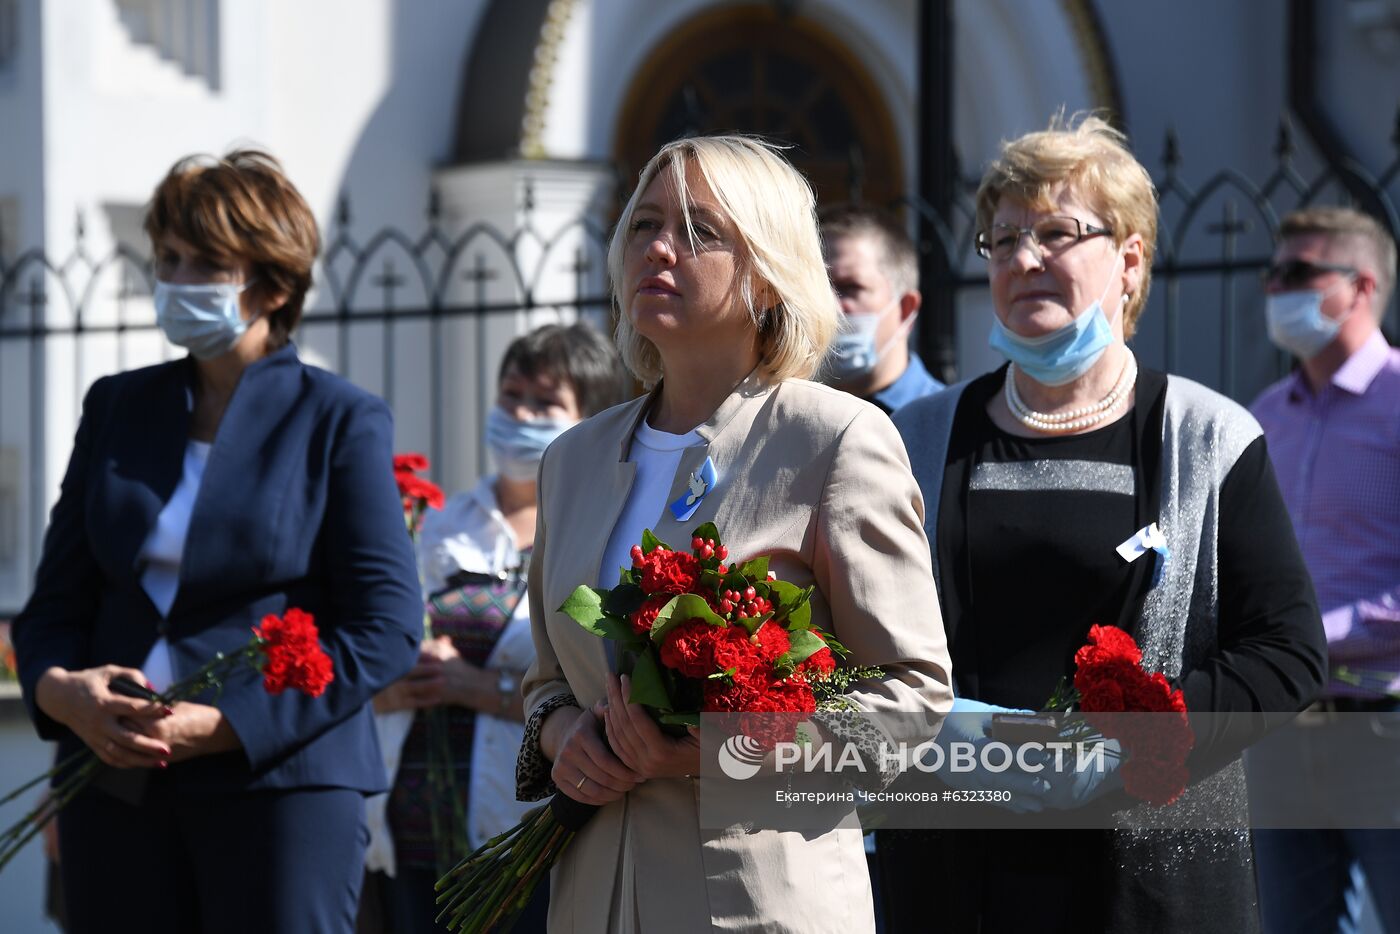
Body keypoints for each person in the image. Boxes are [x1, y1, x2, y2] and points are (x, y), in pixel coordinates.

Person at [888, 114, 1327, 933]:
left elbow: (1288, 654)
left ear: (1129, 261)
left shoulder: (1212, 437)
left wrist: (1132, 742)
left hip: (1149, 883)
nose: (1024, 258)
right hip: (954, 870)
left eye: (1057, 233)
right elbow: (858, 641)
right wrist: (935, 726)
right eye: (1003, 238)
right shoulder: (916, 438)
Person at [514, 135, 954, 933]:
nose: (658, 247)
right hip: (595, 901)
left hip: (758, 902)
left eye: (699, 231)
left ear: (768, 272)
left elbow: (911, 701)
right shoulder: (572, 459)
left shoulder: (834, 439)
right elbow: (547, 679)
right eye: (644, 225)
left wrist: (715, 749)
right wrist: (560, 735)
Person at [11, 150, 423, 933]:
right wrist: (63, 695)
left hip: (277, 789)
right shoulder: (116, 408)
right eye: (168, 257)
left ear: (272, 284)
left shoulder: (337, 418)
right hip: (112, 786)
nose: (176, 277)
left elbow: (386, 627)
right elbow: (54, 608)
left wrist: (226, 723)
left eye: (206, 262)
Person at [361, 322, 626, 932]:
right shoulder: (435, 525)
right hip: (413, 823)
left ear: (586, 418)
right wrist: (399, 679)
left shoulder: (597, 539)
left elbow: (593, 691)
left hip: (525, 833)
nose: (521, 414)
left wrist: (472, 687)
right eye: (512, 395)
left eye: (545, 402)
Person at [1244, 206, 1400, 934]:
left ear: (1362, 284)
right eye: (1274, 273)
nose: (1277, 287)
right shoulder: (1267, 414)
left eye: (1300, 273)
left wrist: (1311, 634)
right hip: (1282, 732)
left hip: (1384, 726)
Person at [820, 204, 944, 412]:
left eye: (850, 287)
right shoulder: (788, 418)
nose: (829, 305)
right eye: (817, 287)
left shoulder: (947, 422)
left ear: (905, 309)